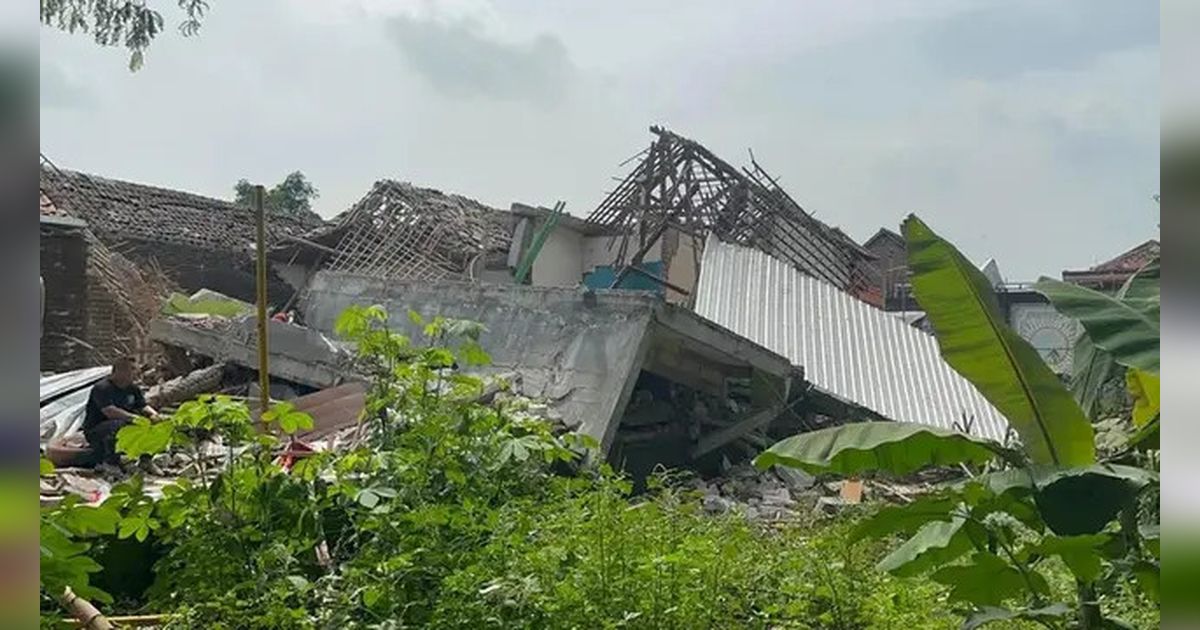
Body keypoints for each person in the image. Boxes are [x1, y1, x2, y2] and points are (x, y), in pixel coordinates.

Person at [83, 356, 159, 467]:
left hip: (126, 423)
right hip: (97, 429)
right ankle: (111, 464)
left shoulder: (133, 389)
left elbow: (142, 406)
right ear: (119, 370)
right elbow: (109, 411)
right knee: (118, 425)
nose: (135, 372)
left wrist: (154, 415)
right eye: (131, 369)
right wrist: (134, 418)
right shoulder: (102, 388)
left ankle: (146, 460)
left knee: (153, 424)